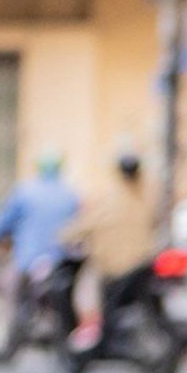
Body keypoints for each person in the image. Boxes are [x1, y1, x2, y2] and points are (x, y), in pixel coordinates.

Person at [67, 149, 155, 349]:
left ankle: (89, 328)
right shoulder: (146, 196)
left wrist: (65, 235)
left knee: (86, 289)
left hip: (114, 265)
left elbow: (85, 225)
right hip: (143, 262)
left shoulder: (112, 199)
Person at [0, 149, 81, 282]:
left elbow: (2, 225)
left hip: (28, 262)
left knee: (7, 283)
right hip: (61, 266)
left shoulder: (24, 191)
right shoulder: (71, 195)